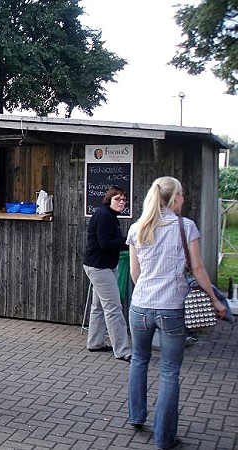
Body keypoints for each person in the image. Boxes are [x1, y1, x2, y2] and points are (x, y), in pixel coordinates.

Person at [126, 176, 226, 450]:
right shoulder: (186, 227)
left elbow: (135, 273)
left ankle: (136, 417)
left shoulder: (137, 227)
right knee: (169, 371)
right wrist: (215, 300)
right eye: (181, 195)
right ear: (174, 198)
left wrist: (148, 292)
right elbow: (198, 269)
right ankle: (164, 438)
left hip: (140, 306)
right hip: (172, 308)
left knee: (139, 360)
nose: (184, 199)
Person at [83, 186, 132, 362]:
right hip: (99, 267)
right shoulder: (104, 215)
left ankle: (95, 342)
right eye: (117, 199)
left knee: (97, 306)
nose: (121, 202)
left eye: (124, 200)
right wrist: (131, 241)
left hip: (106, 265)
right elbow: (105, 243)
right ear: (109, 199)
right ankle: (123, 350)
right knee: (113, 308)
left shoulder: (110, 215)